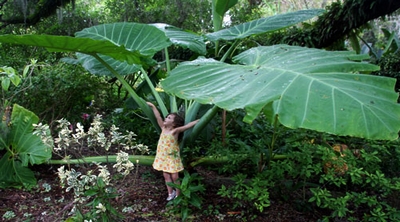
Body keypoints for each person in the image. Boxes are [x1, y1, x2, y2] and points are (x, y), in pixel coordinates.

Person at [147, 102, 199, 201]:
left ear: (174, 124)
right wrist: (153, 106)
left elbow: (187, 126)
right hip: (163, 157)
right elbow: (158, 117)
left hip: (172, 157)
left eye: (169, 118)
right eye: (166, 117)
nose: (166, 118)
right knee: (166, 175)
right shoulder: (163, 128)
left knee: (175, 176)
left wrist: (198, 121)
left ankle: (178, 194)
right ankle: (170, 193)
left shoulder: (174, 131)